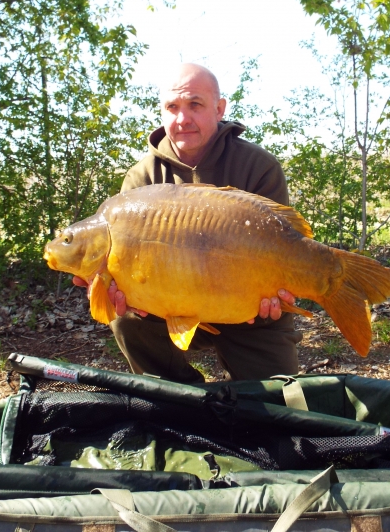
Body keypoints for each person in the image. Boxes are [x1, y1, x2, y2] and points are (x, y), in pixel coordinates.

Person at [75, 63, 301, 383]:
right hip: (168, 314)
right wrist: (116, 293)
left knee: (276, 412)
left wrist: (280, 296)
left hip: (249, 314)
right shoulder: (141, 179)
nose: (183, 119)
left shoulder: (258, 167)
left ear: (219, 108)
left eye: (195, 105)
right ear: (162, 113)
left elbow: (287, 246)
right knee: (127, 320)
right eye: (172, 107)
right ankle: (180, 402)